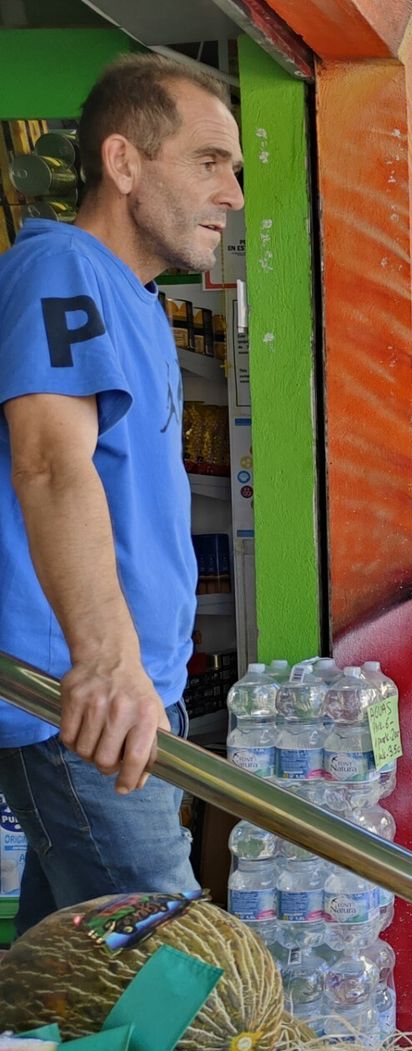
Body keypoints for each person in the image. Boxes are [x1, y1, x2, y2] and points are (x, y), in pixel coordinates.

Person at [0, 55, 244, 935]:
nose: (234, 195)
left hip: (135, 694)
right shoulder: (62, 266)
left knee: (60, 987)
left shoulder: (137, 300)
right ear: (125, 162)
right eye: (210, 162)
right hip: (86, 703)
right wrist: (107, 661)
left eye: (237, 170)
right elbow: (49, 463)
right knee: (179, 975)